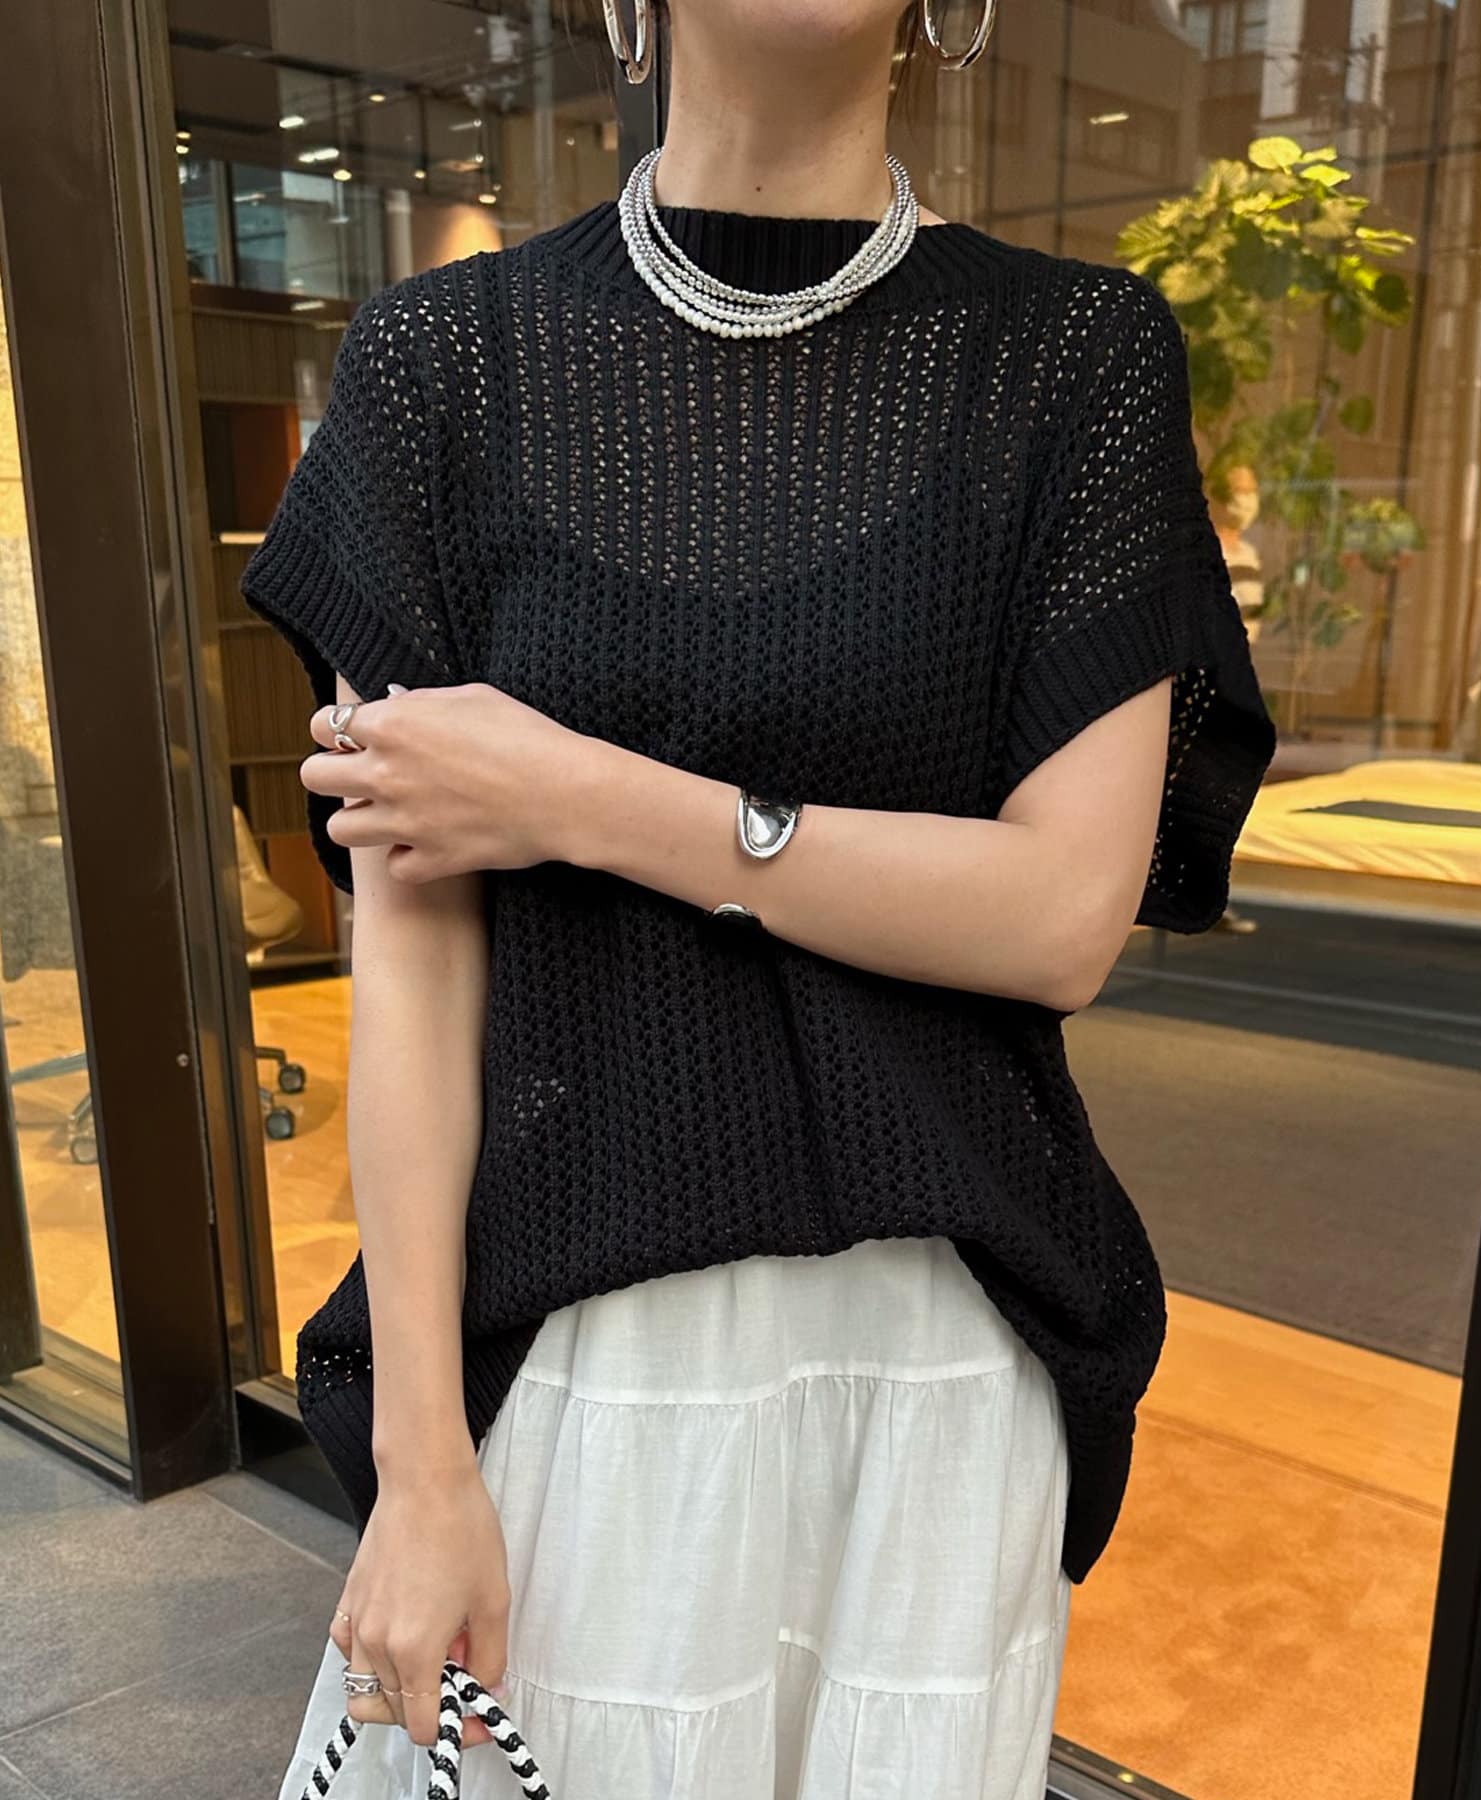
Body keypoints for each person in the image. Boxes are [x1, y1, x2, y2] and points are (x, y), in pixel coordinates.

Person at [243, 2, 1276, 1794]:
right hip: (574, 1341)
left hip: (938, 1355)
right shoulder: (442, 367)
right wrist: (419, 1463)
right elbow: (412, 963)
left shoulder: (1074, 360)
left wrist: (583, 797)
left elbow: (1061, 920)